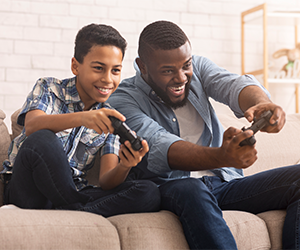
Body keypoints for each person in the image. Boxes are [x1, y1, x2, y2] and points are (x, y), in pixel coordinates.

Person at [108, 20, 300, 249]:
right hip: (172, 188)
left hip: (224, 184)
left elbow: (232, 85)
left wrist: (263, 104)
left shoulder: (197, 68)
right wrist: (222, 155)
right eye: (168, 71)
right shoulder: (122, 98)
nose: (181, 77)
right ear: (143, 66)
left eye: (185, 65)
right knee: (191, 187)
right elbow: (159, 145)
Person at [1, 23, 160, 217]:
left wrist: (125, 165)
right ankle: (79, 209)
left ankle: (72, 210)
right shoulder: (49, 88)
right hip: (28, 189)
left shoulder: (110, 117)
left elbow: (106, 180)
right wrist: (83, 118)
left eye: (115, 70)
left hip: (72, 191)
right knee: (43, 139)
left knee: (149, 192)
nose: (108, 79)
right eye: (99, 68)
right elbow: (33, 125)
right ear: (75, 66)